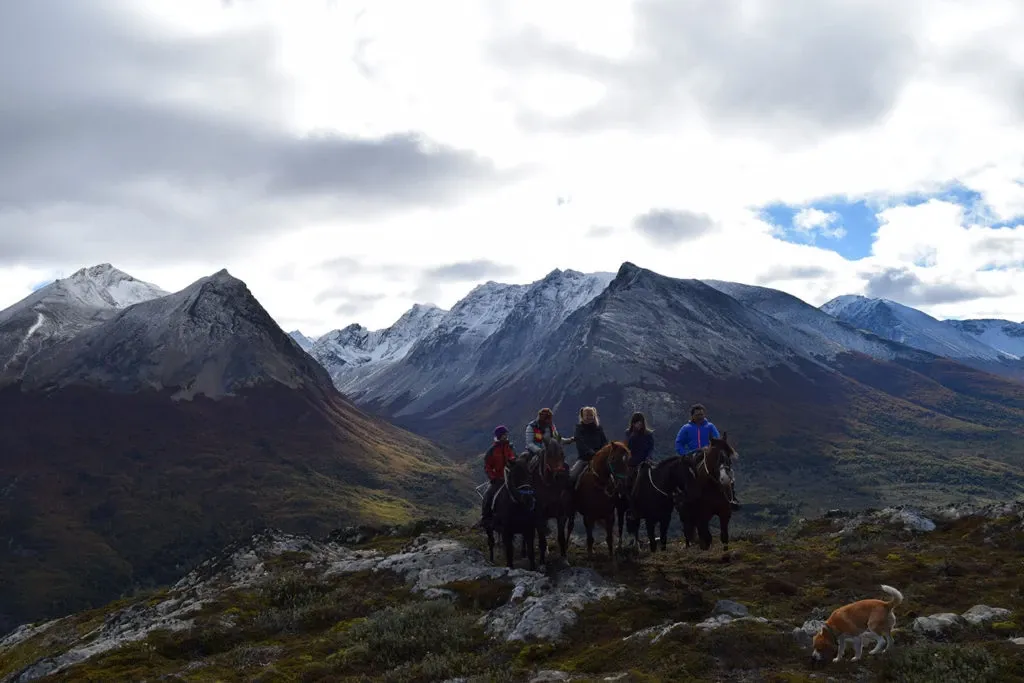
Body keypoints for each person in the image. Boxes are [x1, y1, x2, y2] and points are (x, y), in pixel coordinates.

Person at [674, 403, 740, 510]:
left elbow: (717, 440)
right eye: (697, 415)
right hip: (693, 454)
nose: (700, 417)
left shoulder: (710, 426)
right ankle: (682, 496)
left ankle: (732, 497)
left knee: (726, 469)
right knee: (682, 471)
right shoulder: (686, 428)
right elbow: (678, 443)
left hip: (709, 453)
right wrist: (685, 454)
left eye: (702, 414)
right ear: (692, 416)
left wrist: (710, 449)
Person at [479, 425, 516, 527]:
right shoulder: (492, 450)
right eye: (504, 435)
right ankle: (485, 518)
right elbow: (487, 466)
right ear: (499, 436)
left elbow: (514, 459)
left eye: (506, 434)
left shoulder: (510, 447)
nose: (506, 436)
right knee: (488, 495)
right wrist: (493, 478)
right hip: (499, 479)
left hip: (511, 478)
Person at [569, 406, 608, 485]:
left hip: (599, 458)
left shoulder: (599, 428)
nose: (589, 417)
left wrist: (602, 452)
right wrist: (591, 452)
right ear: (582, 416)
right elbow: (580, 444)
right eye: (587, 415)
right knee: (572, 476)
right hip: (584, 459)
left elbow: (604, 442)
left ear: (594, 416)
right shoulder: (579, 429)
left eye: (591, 415)